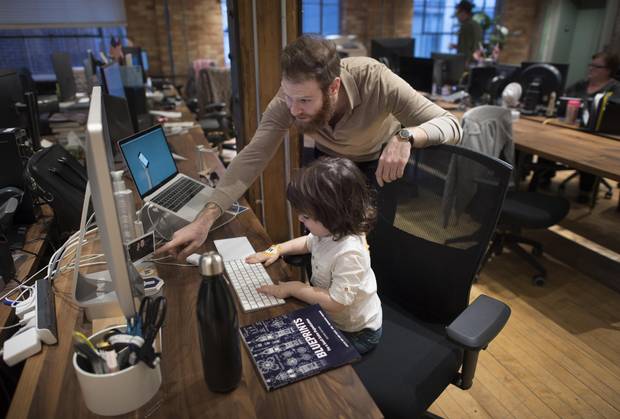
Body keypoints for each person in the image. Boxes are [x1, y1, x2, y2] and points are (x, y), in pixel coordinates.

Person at [156, 34, 462, 261]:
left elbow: (452, 124)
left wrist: (406, 136)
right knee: (320, 248)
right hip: (328, 162)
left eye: (304, 101)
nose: (294, 110)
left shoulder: (376, 80)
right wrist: (204, 220)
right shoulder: (289, 99)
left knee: (366, 257)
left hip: (376, 164)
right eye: (289, 98)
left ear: (333, 88)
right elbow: (252, 156)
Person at [246, 157, 382, 354]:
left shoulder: (350, 253)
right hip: (330, 315)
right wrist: (276, 249)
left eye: (306, 217)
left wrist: (295, 288)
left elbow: (336, 302)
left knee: (296, 353)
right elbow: (307, 243)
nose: (299, 218)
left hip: (356, 332)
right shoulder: (328, 231)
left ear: (334, 215)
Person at [564, 51, 619, 202]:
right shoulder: (581, 85)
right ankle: (543, 176)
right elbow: (563, 99)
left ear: (608, 70)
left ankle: (585, 191)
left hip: (599, 136)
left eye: (597, 66)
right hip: (571, 129)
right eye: (591, 65)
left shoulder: (615, 89)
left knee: (590, 151)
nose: (591, 69)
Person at [450, 0, 483, 65]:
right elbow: (473, 44)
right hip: (475, 62)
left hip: (466, 63)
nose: (457, 16)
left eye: (458, 13)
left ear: (463, 12)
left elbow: (466, 48)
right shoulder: (476, 25)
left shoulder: (466, 26)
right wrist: (456, 46)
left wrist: (465, 63)